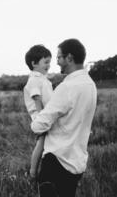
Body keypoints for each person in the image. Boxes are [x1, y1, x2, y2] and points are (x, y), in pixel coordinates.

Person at [31, 39, 97, 197]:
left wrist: (37, 115)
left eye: (59, 57)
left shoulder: (67, 87)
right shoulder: (90, 85)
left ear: (69, 58)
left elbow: (38, 126)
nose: (57, 62)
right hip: (76, 162)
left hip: (57, 161)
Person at [23, 44, 53, 179]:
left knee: (47, 143)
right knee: (41, 143)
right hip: (40, 116)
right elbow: (37, 98)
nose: (49, 65)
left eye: (49, 62)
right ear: (34, 63)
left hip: (47, 115)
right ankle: (33, 172)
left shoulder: (42, 79)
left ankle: (46, 169)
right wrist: (42, 119)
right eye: (46, 62)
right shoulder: (34, 79)